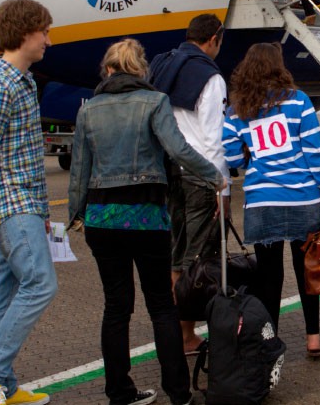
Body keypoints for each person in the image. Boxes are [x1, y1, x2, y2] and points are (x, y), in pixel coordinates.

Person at [69, 39, 225, 405]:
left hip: (103, 219)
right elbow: (179, 150)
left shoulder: (89, 110)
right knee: (161, 306)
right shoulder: (154, 102)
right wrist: (214, 177)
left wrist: (75, 215)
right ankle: (179, 393)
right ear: (142, 70)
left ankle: (119, 392)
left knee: (116, 307)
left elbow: (79, 171)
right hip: (146, 217)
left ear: (108, 70)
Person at [0, 0, 58, 405]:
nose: (48, 41)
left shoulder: (23, 82)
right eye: (44, 32)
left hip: (25, 204)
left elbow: (27, 155)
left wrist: (42, 211)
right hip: (11, 205)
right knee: (40, 284)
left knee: (4, 290)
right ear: (24, 33)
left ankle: (0, 384)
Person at [222, 43, 320, 358]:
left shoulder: (237, 109)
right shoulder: (299, 101)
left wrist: (250, 160)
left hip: (263, 200)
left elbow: (231, 156)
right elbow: (314, 153)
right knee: (307, 271)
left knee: (269, 277)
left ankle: (270, 340)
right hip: (303, 197)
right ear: (279, 66)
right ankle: (313, 338)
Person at [147, 13, 230, 356]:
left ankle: (173, 330)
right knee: (199, 259)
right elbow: (213, 139)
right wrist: (222, 188)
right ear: (213, 39)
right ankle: (186, 335)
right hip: (200, 175)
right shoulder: (210, 77)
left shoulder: (162, 65)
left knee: (176, 255)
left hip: (170, 171)